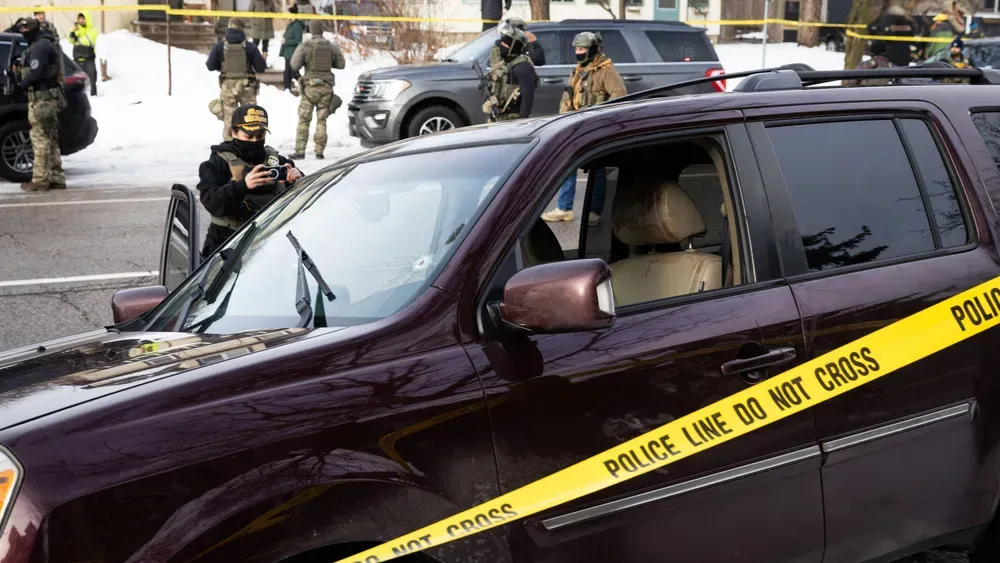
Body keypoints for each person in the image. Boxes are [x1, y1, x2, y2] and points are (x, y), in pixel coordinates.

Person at [541, 32, 626, 226]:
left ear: (593, 49)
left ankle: (594, 212)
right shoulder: (578, 70)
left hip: (595, 126)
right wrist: (563, 117)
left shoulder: (606, 70)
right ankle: (564, 208)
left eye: (582, 49)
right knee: (568, 164)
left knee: (597, 169)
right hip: (575, 124)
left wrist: (601, 116)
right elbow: (568, 96)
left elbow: (619, 95)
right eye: (577, 49)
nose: (578, 52)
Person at [197, 104, 303, 260]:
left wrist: (298, 180)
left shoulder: (276, 161)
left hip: (269, 242)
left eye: (260, 136)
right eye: (249, 136)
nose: (255, 141)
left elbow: (305, 203)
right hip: (227, 243)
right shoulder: (217, 163)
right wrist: (242, 186)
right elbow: (211, 202)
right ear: (234, 132)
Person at [16, 18, 65, 192]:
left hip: (42, 100)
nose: (24, 32)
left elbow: (36, 73)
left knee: (40, 139)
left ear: (34, 29)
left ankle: (40, 180)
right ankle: (56, 177)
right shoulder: (43, 44)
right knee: (50, 139)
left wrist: (21, 85)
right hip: (47, 98)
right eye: (21, 29)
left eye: (26, 29)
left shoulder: (40, 47)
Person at [290, 20, 345, 159]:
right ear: (322, 30)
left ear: (310, 30)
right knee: (322, 120)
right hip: (326, 87)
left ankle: (300, 151)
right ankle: (319, 151)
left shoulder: (305, 46)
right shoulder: (331, 46)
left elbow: (294, 65)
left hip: (310, 88)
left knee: (304, 120)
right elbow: (341, 64)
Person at [206, 18, 267, 142]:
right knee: (250, 117)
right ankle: (250, 142)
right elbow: (260, 67)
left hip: (228, 86)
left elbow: (210, 66)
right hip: (247, 86)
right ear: (242, 29)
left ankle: (229, 144)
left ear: (229, 27)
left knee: (229, 116)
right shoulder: (249, 46)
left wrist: (222, 65)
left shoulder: (220, 46)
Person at [483, 22, 537, 123]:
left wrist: (522, 123)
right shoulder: (504, 64)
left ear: (513, 46)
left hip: (513, 122)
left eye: (504, 44)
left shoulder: (523, 67)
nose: (500, 46)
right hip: (499, 120)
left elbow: (527, 100)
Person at [68, 11, 99, 96]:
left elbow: (88, 40)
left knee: (92, 78)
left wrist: (77, 38)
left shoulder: (93, 29)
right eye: (79, 19)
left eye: (83, 19)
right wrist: (74, 33)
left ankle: (94, 95)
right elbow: (70, 39)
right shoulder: (76, 29)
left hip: (89, 59)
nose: (81, 21)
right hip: (77, 59)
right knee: (76, 80)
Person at [280, 3, 305, 94]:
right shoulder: (289, 25)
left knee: (294, 72)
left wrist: (286, 41)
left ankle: (304, 85)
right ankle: (286, 89)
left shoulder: (297, 25)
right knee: (287, 72)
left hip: (293, 53)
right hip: (287, 53)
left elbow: (298, 40)